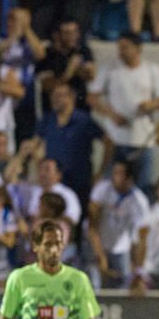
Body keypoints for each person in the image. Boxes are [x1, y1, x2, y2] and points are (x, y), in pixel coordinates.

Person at [88, 33, 159, 194]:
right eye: (119, 48)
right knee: (111, 186)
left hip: (143, 139)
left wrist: (150, 104)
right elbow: (92, 97)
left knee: (142, 187)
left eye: (125, 48)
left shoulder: (152, 70)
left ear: (138, 48)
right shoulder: (110, 69)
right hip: (116, 138)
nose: (121, 52)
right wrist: (112, 115)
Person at [36, 82, 109, 217]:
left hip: (79, 179)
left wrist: (101, 171)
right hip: (55, 180)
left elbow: (108, 142)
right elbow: (36, 144)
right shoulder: (48, 119)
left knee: (78, 215)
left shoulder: (83, 120)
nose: (55, 99)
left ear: (71, 98)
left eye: (60, 95)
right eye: (54, 96)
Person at [87, 160, 151, 291]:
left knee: (122, 285)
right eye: (114, 172)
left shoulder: (140, 202)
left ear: (129, 178)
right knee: (94, 282)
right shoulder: (101, 190)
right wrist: (100, 255)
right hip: (95, 241)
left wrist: (139, 270)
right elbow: (92, 226)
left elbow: (143, 239)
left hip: (121, 247)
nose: (114, 176)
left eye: (119, 173)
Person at [0, 7, 47, 145]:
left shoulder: (29, 43)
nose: (14, 24)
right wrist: (13, 36)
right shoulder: (0, 40)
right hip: (5, 95)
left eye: (18, 21)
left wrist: (26, 29)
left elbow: (40, 54)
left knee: (25, 138)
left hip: (26, 96)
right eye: (12, 21)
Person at [36, 19, 96, 115]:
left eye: (75, 32)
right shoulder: (47, 54)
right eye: (67, 33)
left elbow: (91, 75)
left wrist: (81, 69)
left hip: (80, 108)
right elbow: (47, 86)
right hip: (55, 112)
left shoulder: (83, 51)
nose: (73, 37)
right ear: (57, 35)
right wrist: (68, 73)